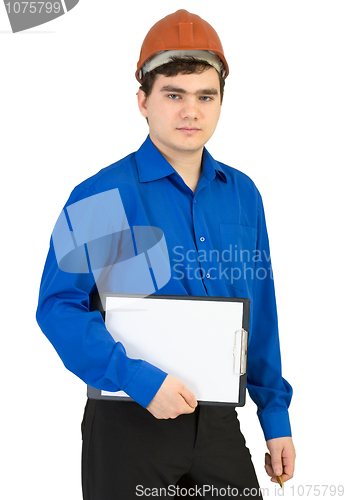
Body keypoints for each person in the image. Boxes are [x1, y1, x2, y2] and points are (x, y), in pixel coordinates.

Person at [36, 9, 296, 499]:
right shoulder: (99, 196)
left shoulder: (243, 195)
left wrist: (275, 417)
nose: (190, 111)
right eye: (173, 95)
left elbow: (260, 310)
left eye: (205, 96)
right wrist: (137, 378)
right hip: (127, 422)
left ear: (221, 103)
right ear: (143, 101)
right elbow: (57, 308)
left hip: (218, 423)